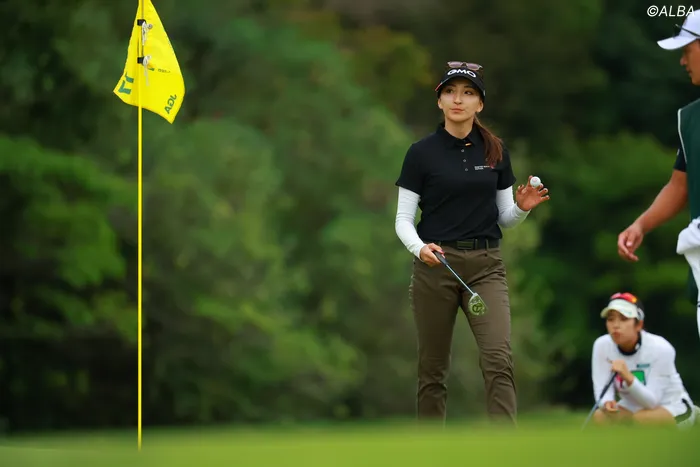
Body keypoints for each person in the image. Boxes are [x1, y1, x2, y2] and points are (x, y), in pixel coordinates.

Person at [393, 61, 549, 425]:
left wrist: (522, 209)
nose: (457, 99)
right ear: (439, 101)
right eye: (450, 92)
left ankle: (503, 447)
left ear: (480, 103)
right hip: (436, 265)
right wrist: (420, 249)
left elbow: (504, 218)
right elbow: (403, 220)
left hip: (485, 267)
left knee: (498, 359)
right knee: (432, 369)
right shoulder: (421, 153)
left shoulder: (495, 150)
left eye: (468, 93)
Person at [617, 11, 700, 337]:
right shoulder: (690, 119)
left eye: (687, 50)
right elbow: (680, 186)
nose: (682, 61)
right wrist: (641, 224)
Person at [591, 292, 698, 429]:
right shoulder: (602, 345)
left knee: (642, 419)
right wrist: (607, 402)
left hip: (671, 405)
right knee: (601, 416)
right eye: (611, 319)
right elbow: (602, 390)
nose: (616, 325)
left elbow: (652, 402)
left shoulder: (661, 348)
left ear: (639, 325)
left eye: (624, 319)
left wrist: (628, 377)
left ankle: (695, 416)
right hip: (633, 407)